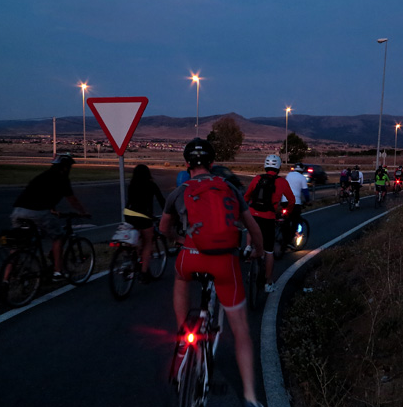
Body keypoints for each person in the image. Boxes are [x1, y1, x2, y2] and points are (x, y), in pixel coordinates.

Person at [160, 138, 265, 407]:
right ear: (212, 164)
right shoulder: (229, 188)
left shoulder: (180, 191)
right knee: (241, 331)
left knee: (181, 279)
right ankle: (251, 396)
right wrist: (258, 252)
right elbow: (253, 228)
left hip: (191, 257)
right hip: (225, 263)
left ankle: (184, 337)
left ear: (186, 164)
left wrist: (179, 240)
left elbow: (164, 228)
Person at [9, 153, 89, 281]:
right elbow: (72, 200)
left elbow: (43, 194)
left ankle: (6, 278)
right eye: (69, 167)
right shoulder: (62, 179)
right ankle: (57, 272)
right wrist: (83, 212)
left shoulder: (42, 176)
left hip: (18, 211)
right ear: (65, 167)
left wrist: (52, 209)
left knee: (17, 244)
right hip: (37, 212)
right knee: (58, 237)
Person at [243, 154, 295, 293]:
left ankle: (248, 248)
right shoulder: (282, 182)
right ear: (278, 167)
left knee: (251, 226)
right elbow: (291, 200)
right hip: (268, 218)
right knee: (269, 251)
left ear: (266, 166)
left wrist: (247, 210)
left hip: (253, 215)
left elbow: (246, 196)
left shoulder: (257, 179)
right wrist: (287, 212)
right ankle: (268, 283)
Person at [124, 164, 166, 284]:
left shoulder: (131, 185)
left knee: (136, 240)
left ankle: (134, 258)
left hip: (129, 215)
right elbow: (161, 200)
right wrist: (168, 213)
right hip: (144, 216)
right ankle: (143, 272)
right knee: (148, 243)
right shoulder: (151, 185)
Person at [281, 162, 310, 249]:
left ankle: (282, 237)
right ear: (302, 170)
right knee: (295, 221)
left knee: (285, 220)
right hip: (295, 202)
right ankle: (289, 241)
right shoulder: (302, 178)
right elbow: (305, 192)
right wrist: (307, 201)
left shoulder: (289, 175)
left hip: (284, 200)